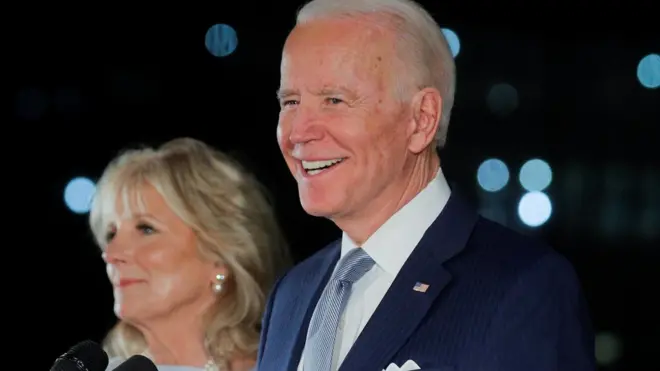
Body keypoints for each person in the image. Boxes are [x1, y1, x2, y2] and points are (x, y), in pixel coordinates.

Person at [257, 0, 595, 370]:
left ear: (421, 120)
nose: (298, 132)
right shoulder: (291, 294)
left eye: (334, 100)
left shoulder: (523, 290)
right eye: (290, 101)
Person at [89, 138, 290, 371]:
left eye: (146, 228)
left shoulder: (286, 363)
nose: (111, 253)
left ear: (220, 254)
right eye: (111, 234)